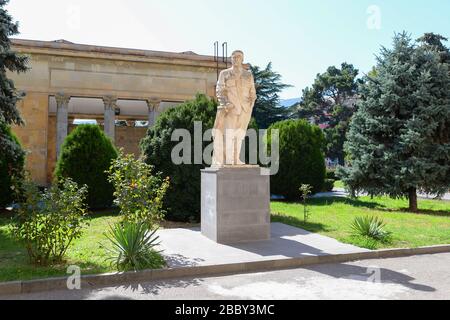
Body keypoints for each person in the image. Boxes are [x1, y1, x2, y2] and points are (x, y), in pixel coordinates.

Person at [212, 50, 257, 166]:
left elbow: (252, 91)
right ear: (231, 59)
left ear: (242, 59)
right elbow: (219, 90)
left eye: (238, 57)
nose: (236, 59)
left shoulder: (248, 75)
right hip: (230, 109)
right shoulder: (224, 73)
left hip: (245, 109)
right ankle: (228, 159)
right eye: (234, 57)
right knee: (229, 133)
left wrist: (252, 100)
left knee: (240, 135)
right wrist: (225, 102)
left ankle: (236, 159)